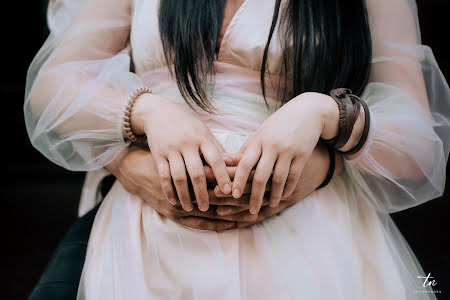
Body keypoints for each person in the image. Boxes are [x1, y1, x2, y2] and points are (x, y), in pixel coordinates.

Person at [24, 0, 450, 299]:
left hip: (310, 239)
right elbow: (52, 88)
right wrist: (146, 114)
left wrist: (325, 115)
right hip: (143, 234)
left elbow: (418, 149)